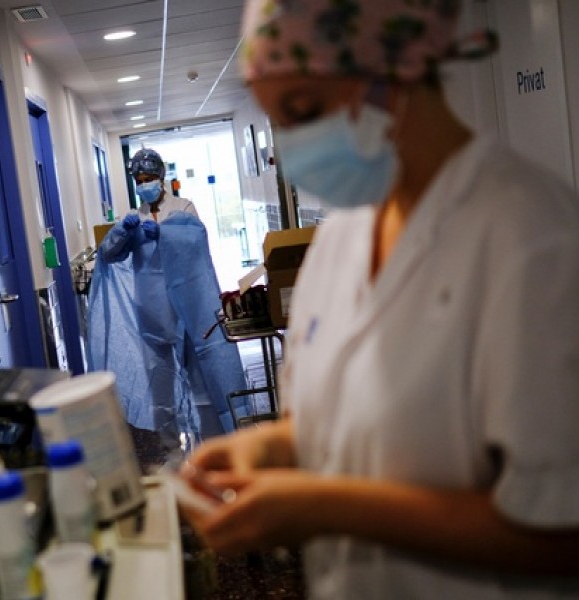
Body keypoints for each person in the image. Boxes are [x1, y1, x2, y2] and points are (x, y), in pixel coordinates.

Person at [182, 1, 579, 598]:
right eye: (277, 122)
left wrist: (329, 509)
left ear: (391, 72)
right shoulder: (341, 237)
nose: (289, 150)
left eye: (302, 111)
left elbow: (562, 533)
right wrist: (266, 446)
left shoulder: (531, 239)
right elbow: (330, 425)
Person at [86, 148, 248, 461]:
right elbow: (109, 255)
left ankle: (216, 447)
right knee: (161, 385)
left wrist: (163, 233)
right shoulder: (134, 217)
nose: (145, 184)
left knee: (203, 379)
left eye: (150, 178)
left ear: (163, 179)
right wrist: (121, 234)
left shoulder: (183, 207)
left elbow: (195, 240)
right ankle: (173, 451)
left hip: (190, 306)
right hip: (154, 311)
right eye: (140, 179)